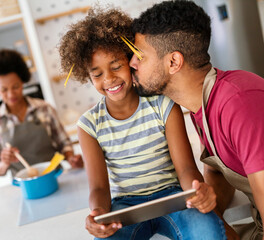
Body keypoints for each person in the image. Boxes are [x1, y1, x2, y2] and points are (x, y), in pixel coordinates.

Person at [59, 8, 226, 240]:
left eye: (116, 66)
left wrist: (196, 190)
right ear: (87, 76)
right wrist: (97, 214)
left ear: (130, 61)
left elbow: (186, 169)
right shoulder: (89, 125)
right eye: (96, 74)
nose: (109, 79)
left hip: (174, 197)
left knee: (207, 232)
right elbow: (98, 188)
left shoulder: (163, 105)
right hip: (125, 208)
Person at [129, 1, 264, 240]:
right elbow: (218, 173)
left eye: (140, 56)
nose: (132, 63)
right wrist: (208, 214)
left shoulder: (238, 104)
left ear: (173, 62)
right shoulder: (201, 105)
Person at [0, 49, 83, 178]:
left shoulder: (44, 108)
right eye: (4, 90)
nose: (11, 94)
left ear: (23, 82)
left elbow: (64, 144)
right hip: (24, 187)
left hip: (56, 177)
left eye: (15, 87)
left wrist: (71, 159)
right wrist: (4, 162)